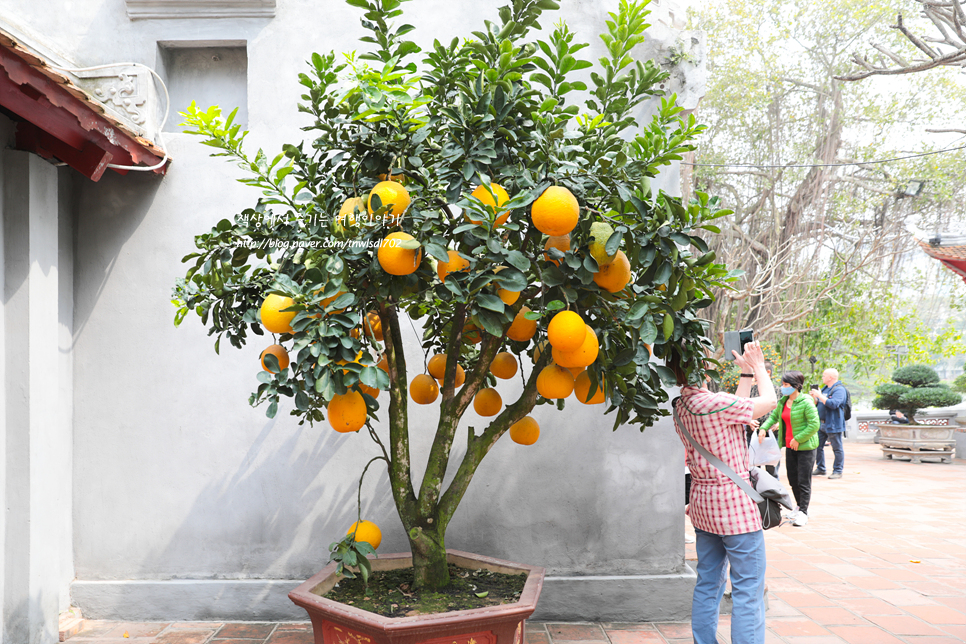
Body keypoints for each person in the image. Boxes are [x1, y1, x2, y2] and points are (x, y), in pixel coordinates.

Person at [673, 341, 777, 644]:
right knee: (748, 589)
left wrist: (745, 377)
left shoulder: (683, 406)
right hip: (735, 508)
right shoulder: (714, 403)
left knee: (708, 583)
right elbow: (769, 401)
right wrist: (758, 366)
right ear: (701, 367)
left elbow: (733, 411)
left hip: (704, 506)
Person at [756, 371, 819, 527]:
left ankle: (804, 512)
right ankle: (799, 507)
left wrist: (798, 438)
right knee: (793, 479)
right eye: (783, 385)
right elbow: (774, 416)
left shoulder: (806, 402)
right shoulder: (784, 401)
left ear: (796, 386)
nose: (783, 388)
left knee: (804, 481)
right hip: (790, 446)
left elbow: (814, 424)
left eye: (786, 385)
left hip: (805, 447)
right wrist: (764, 427)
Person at [809, 369, 848, 479]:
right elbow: (819, 403)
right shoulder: (825, 388)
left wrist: (820, 396)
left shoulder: (839, 389)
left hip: (833, 423)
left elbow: (833, 404)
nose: (822, 377)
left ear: (831, 377)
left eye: (824, 375)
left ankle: (838, 470)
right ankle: (821, 468)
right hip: (821, 423)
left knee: (837, 448)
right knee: (817, 447)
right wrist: (815, 397)